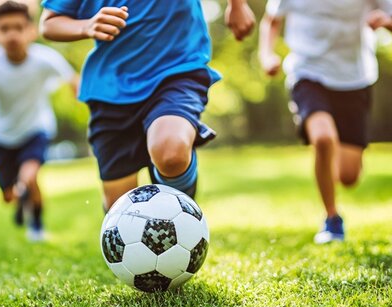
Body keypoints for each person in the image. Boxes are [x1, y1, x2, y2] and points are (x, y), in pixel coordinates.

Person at [39, 0, 256, 210]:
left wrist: (238, 5)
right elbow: (49, 23)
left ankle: (182, 218)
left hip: (178, 69)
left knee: (171, 151)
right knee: (119, 206)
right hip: (111, 89)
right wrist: (86, 25)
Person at [259, 0, 392, 243]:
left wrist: (389, 24)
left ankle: (326, 170)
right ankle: (332, 219)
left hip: (355, 80)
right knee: (323, 139)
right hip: (307, 73)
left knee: (348, 176)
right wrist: (267, 55)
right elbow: (271, 20)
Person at [0, 0, 78, 241]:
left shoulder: (45, 59)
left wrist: (87, 103)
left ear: (31, 30)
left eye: (18, 27)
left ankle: (36, 225)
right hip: (0, 133)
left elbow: (74, 81)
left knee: (29, 176)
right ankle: (20, 199)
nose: (12, 34)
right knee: (9, 195)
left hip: (36, 127)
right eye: (5, 28)